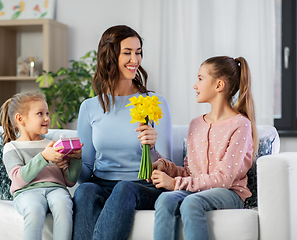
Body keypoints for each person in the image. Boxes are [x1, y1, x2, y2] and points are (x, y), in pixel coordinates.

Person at [73, 25, 173, 240]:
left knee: (124, 188)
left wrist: (153, 148)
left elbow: (168, 167)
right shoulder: (89, 107)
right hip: (102, 183)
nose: (134, 60)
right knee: (85, 191)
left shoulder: (155, 103)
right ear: (110, 56)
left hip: (142, 186)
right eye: (127, 52)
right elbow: (85, 174)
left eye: (138, 52)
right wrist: (70, 161)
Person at [152, 56, 258, 240]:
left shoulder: (241, 125)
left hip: (229, 192)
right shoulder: (195, 125)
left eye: (200, 79)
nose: (195, 85)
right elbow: (191, 174)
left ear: (219, 85)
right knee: (165, 199)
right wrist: (166, 168)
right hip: (197, 189)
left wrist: (175, 184)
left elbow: (224, 179)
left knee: (191, 203)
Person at [0, 92, 82, 240]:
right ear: (20, 119)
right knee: (34, 209)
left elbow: (69, 181)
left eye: (47, 113)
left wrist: (76, 159)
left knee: (64, 205)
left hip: (56, 189)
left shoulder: (53, 144)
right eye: (40, 113)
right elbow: (18, 178)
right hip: (26, 192)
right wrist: (43, 157)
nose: (46, 118)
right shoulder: (12, 147)